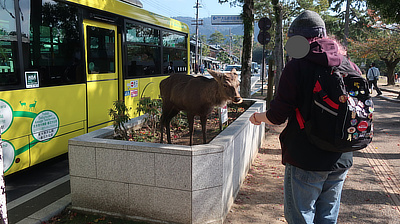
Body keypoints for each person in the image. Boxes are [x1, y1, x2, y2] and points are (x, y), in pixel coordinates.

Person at [250, 10, 360, 224]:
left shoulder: (296, 66)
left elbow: (277, 116)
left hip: (306, 157)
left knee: (301, 217)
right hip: (342, 156)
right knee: (327, 217)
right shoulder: (348, 64)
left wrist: (258, 118)